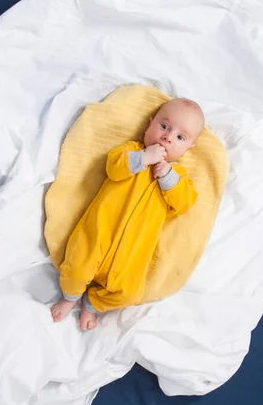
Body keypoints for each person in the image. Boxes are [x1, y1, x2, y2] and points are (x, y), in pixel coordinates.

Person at [51, 97, 204, 330]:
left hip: (131, 257)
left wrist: (168, 177)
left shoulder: (179, 177)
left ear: (188, 148)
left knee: (130, 294)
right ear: (149, 124)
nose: (168, 137)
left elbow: (184, 203)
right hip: (97, 236)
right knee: (75, 270)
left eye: (180, 137)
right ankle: (70, 298)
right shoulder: (131, 151)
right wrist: (144, 158)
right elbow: (114, 167)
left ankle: (92, 303)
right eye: (164, 126)